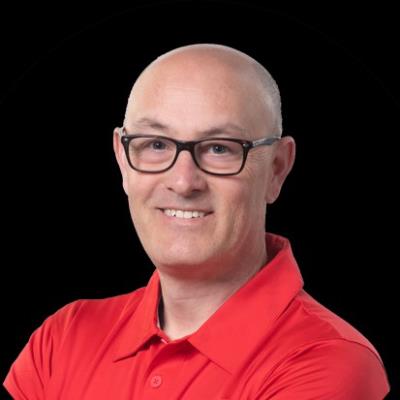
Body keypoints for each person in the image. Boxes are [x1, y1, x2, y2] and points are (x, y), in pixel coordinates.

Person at [4, 43, 390, 399]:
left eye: (220, 148)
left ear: (277, 169)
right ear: (122, 160)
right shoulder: (62, 340)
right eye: (156, 144)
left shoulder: (328, 362)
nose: (183, 182)